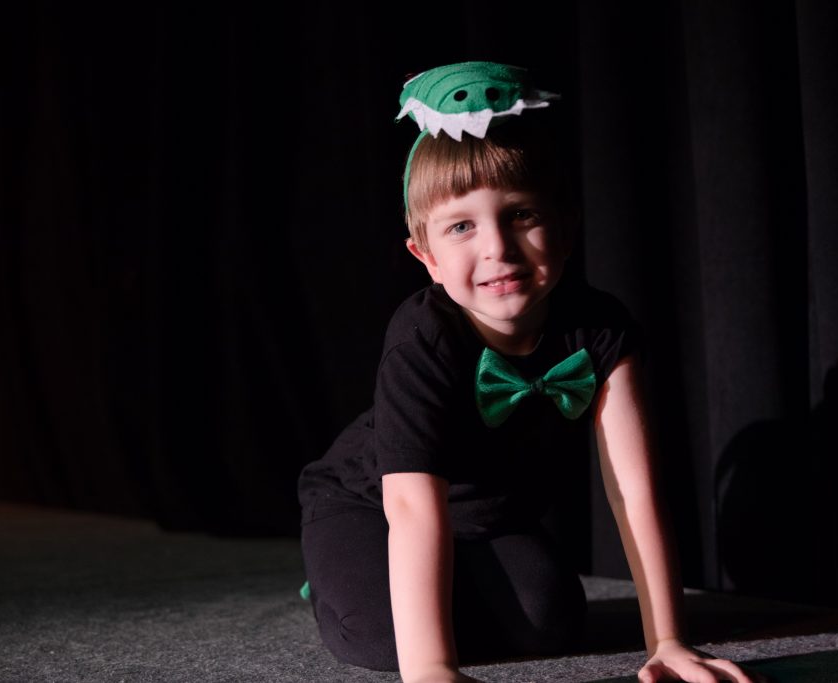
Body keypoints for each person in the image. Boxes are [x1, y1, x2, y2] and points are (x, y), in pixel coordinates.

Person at [297, 61, 758, 683]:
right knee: (381, 638)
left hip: (482, 517)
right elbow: (410, 506)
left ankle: (435, 593)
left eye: (520, 215)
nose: (497, 248)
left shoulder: (600, 329)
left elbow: (633, 492)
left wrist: (669, 641)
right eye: (462, 226)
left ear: (565, 227)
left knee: (550, 621)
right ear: (426, 256)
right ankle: (339, 569)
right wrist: (432, 668)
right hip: (370, 501)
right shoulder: (422, 338)